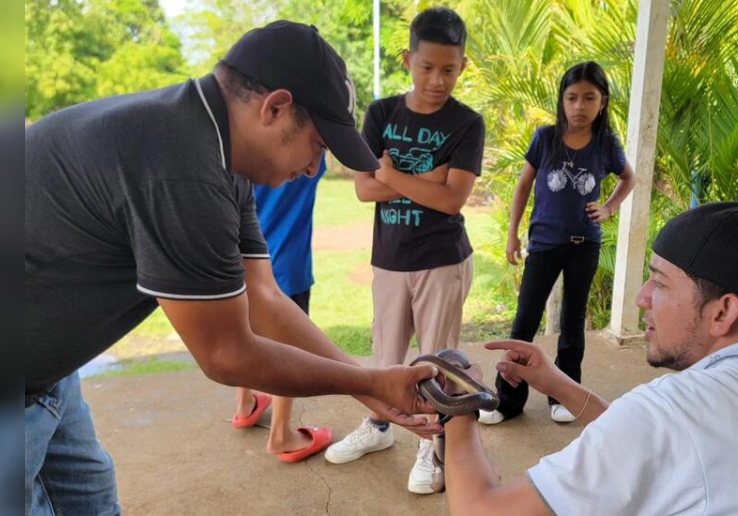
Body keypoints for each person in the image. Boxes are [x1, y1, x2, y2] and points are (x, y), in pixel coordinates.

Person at [24, 21, 441, 516]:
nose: (314, 168)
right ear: (275, 108)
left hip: (44, 373)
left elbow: (263, 298)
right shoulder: (182, 165)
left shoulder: (215, 150)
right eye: (318, 144)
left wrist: (367, 384)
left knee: (89, 501)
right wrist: (369, 384)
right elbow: (226, 355)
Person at [444, 201, 738, 515]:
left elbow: (482, 509)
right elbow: (653, 449)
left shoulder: (675, 413)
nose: (642, 298)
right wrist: (558, 385)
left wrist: (459, 400)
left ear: (723, 313)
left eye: (659, 283)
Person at [323, 7, 485, 495]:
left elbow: (453, 199)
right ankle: (378, 427)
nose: (438, 80)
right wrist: (426, 179)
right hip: (390, 259)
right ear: (407, 60)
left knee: (437, 361)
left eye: (449, 69)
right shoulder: (382, 113)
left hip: (443, 261)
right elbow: (362, 190)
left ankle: (431, 448)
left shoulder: (467, 123)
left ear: (462, 66)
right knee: (386, 356)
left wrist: (392, 175)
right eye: (427, 67)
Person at [480, 61, 636, 425]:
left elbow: (628, 178)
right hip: (544, 245)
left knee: (571, 323)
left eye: (589, 98)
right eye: (571, 98)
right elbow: (522, 187)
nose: (579, 106)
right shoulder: (545, 138)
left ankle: (563, 396)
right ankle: (507, 399)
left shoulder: (606, 144)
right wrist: (512, 234)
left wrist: (609, 207)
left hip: (585, 245)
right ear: (561, 101)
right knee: (524, 322)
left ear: (603, 102)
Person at [232, 156, 333, 463]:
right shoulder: (309, 161)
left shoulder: (243, 160)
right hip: (287, 272)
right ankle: (280, 436)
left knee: (245, 336)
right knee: (287, 350)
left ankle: (245, 405)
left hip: (241, 268)